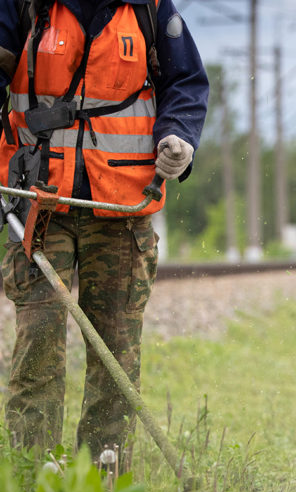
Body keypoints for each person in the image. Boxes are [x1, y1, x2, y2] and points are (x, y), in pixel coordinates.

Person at [0, 0, 209, 462]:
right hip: (39, 203)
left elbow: (187, 82)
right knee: (37, 352)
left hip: (121, 206)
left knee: (115, 358)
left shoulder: (150, 9)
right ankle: (30, 489)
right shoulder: (22, 4)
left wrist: (180, 135)